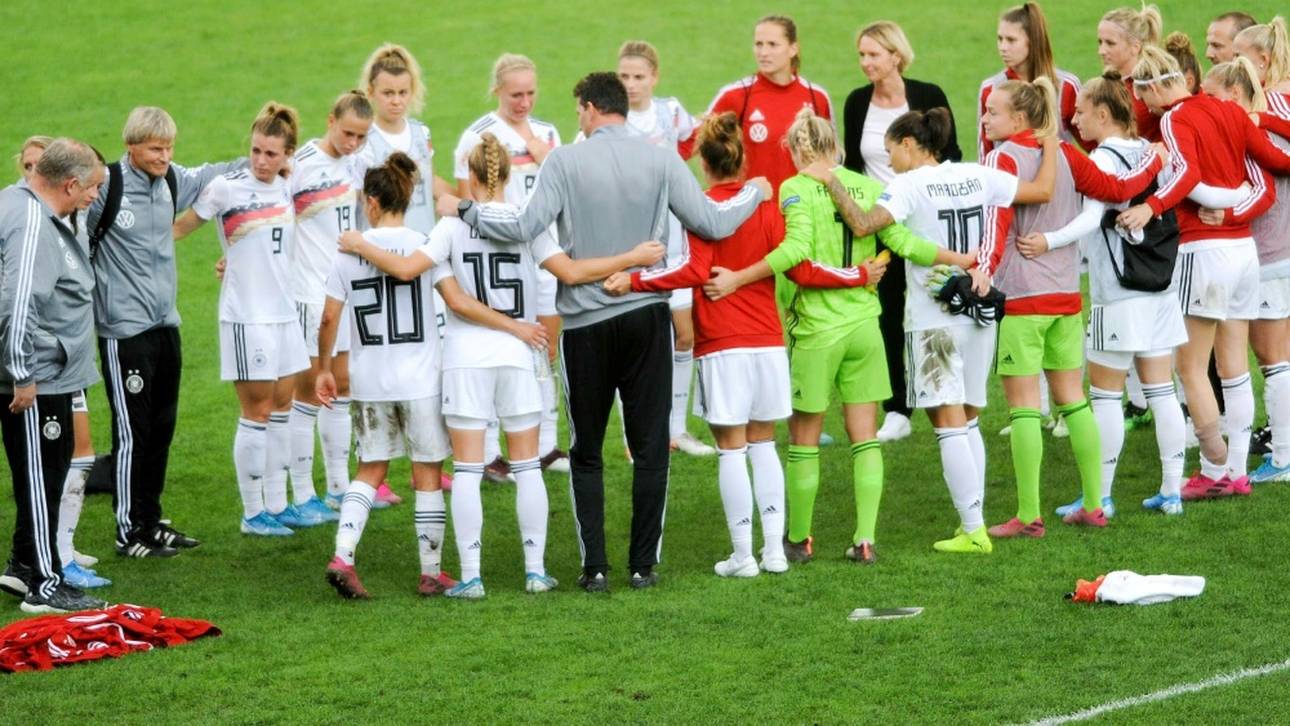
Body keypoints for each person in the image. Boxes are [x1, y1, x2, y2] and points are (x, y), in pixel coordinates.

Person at [436, 72, 771, 592]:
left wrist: (464, 209)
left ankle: (594, 568)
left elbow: (524, 227)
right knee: (651, 446)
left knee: (587, 449)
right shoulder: (661, 159)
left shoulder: (565, 161)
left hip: (587, 325)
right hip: (646, 320)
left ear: (591, 109)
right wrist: (754, 191)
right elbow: (713, 221)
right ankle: (643, 565)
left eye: (579, 112)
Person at [339, 135, 664, 598]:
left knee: (469, 471)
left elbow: (411, 270)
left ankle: (471, 577)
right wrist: (632, 258)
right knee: (528, 465)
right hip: (518, 355)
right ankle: (535, 571)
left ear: (469, 176)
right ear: (508, 175)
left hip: (466, 360)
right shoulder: (528, 222)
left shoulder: (451, 225)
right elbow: (571, 273)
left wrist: (358, 243)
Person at [701, 109, 978, 565]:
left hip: (817, 332)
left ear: (796, 149)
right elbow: (907, 244)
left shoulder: (795, 189)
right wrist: (959, 258)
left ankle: (800, 539)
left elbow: (794, 254)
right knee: (864, 438)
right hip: (865, 328)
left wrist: (737, 278)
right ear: (837, 147)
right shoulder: (869, 187)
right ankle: (865, 539)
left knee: (804, 438)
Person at [605, 112, 871, 575]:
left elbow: (690, 271)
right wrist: (858, 274)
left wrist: (634, 281)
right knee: (764, 445)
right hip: (767, 341)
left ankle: (743, 556)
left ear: (704, 166)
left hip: (722, 343)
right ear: (742, 160)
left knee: (732, 449)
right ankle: (772, 553)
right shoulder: (765, 208)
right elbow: (796, 265)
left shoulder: (704, 209)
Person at [786, 105, 1061, 553]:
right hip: (976, 308)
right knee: (969, 418)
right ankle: (975, 521)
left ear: (910, 146)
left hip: (935, 317)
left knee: (947, 420)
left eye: (891, 150)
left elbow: (862, 223)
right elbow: (1043, 190)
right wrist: (1049, 137)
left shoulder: (908, 185)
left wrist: (830, 178)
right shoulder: (978, 174)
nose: (889, 161)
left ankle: (973, 530)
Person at [979, 78, 1164, 537]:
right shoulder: (1065, 152)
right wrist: (1156, 162)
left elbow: (996, 224)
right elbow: (1118, 189)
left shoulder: (1002, 158)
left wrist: (982, 271)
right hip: (1066, 296)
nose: (984, 119)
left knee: (1023, 408)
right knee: (1073, 401)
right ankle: (1095, 504)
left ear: (1019, 119)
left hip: (1023, 297)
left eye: (993, 112)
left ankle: (1027, 516)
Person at [1117, 46, 1290, 499]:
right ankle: (1235, 470)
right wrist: (1232, 203)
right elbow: (1275, 166)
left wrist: (1150, 206)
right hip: (1244, 254)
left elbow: (1187, 173)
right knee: (1233, 368)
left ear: (1154, 86)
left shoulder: (1176, 118)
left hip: (1204, 254)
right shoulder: (1231, 113)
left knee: (1190, 367)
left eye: (1143, 95)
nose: (1145, 108)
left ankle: (1214, 469)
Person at [1028, 73, 1195, 517]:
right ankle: (1172, 492)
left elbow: (1089, 220)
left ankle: (1098, 497)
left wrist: (1050, 239)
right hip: (1159, 288)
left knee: (1104, 397)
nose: (1074, 119)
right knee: (1161, 392)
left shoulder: (1103, 159)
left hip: (1118, 292)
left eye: (1081, 111)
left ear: (1103, 114)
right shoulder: (1150, 151)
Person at [88, 106, 243, 558]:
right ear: (131, 146)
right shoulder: (108, 187)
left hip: (165, 325)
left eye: (170, 147)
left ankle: (150, 519)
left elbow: (216, 172)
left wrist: (264, 163)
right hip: (124, 331)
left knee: (161, 428)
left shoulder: (171, 180)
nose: (165, 156)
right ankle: (127, 531)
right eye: (156, 148)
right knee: (132, 432)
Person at [173, 103, 312, 536]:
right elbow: (178, 230)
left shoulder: (289, 188)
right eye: (256, 151)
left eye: (271, 154)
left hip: (285, 314)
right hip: (246, 317)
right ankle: (253, 514)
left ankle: (278, 503)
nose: (261, 161)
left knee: (284, 408)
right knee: (257, 411)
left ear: (287, 154)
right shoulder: (225, 190)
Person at [319, 153, 454, 600]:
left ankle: (343, 555)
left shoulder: (347, 253)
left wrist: (323, 368)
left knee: (370, 470)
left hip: (370, 380)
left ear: (371, 202)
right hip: (420, 380)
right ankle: (430, 572)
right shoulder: (426, 244)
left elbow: (328, 319)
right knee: (428, 473)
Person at [842, 20, 964, 444]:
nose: (865, 62)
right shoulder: (858, 103)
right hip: (882, 227)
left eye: (873, 54)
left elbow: (953, 155)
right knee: (889, 314)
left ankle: (949, 396)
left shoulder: (928, 96)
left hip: (927, 221)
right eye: (862, 55)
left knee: (939, 304)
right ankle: (898, 408)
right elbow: (854, 168)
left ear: (896, 55)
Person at [0, 138, 107, 613]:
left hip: (52, 373)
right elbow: (19, 303)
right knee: (41, 480)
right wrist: (22, 373)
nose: (94, 198)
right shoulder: (33, 225)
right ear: (69, 183)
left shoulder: (21, 204)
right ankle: (46, 582)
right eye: (92, 189)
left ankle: (23, 565)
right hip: (37, 379)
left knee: (46, 472)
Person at [452, 53, 569, 478]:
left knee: (545, 350)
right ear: (497, 90)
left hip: (545, 256)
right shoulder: (477, 136)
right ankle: (486, 452)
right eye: (515, 94)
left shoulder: (548, 133)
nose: (524, 102)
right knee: (494, 353)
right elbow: (467, 204)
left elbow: (563, 191)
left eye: (531, 93)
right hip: (499, 262)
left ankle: (547, 446)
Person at [355, 42, 455, 507]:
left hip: (423, 253)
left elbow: (431, 185)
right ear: (371, 93)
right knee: (385, 361)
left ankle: (427, 464)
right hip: (380, 257)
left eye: (402, 92)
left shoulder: (421, 133)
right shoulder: (366, 141)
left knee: (430, 358)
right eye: (387, 92)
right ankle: (375, 471)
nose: (395, 100)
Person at [616, 40, 714, 458]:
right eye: (624, 77)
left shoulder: (670, 111)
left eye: (639, 77)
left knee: (684, 337)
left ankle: (676, 430)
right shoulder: (608, 120)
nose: (631, 85)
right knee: (633, 343)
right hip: (630, 246)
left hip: (674, 244)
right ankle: (633, 436)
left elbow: (693, 141)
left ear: (654, 77)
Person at [286, 90, 373, 516]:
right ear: (330, 120)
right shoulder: (300, 163)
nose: (353, 143)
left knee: (342, 388)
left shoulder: (356, 164)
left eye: (361, 136)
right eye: (348, 133)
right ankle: (302, 495)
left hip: (345, 291)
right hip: (308, 291)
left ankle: (340, 487)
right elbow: (269, 211)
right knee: (306, 395)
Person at [1209, 49, 1290, 484]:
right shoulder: (1273, 118)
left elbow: (1264, 192)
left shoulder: (1258, 129)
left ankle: (1282, 458)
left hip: (1271, 255)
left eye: (1215, 96)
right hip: (1282, 253)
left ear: (1237, 92)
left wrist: (1224, 215)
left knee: (1273, 360)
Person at [978, 2, 1090, 160]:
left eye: (1011, 40)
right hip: (1010, 182)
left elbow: (1093, 143)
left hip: (1057, 181)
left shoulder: (1066, 86)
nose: (1003, 47)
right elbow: (985, 154)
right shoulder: (990, 88)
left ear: (1033, 41)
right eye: (1000, 39)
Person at [1098, 5, 1165, 141]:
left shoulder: (1155, 86)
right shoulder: (1104, 87)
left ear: (1135, 47)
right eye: (1100, 42)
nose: (1101, 51)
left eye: (1110, 43)